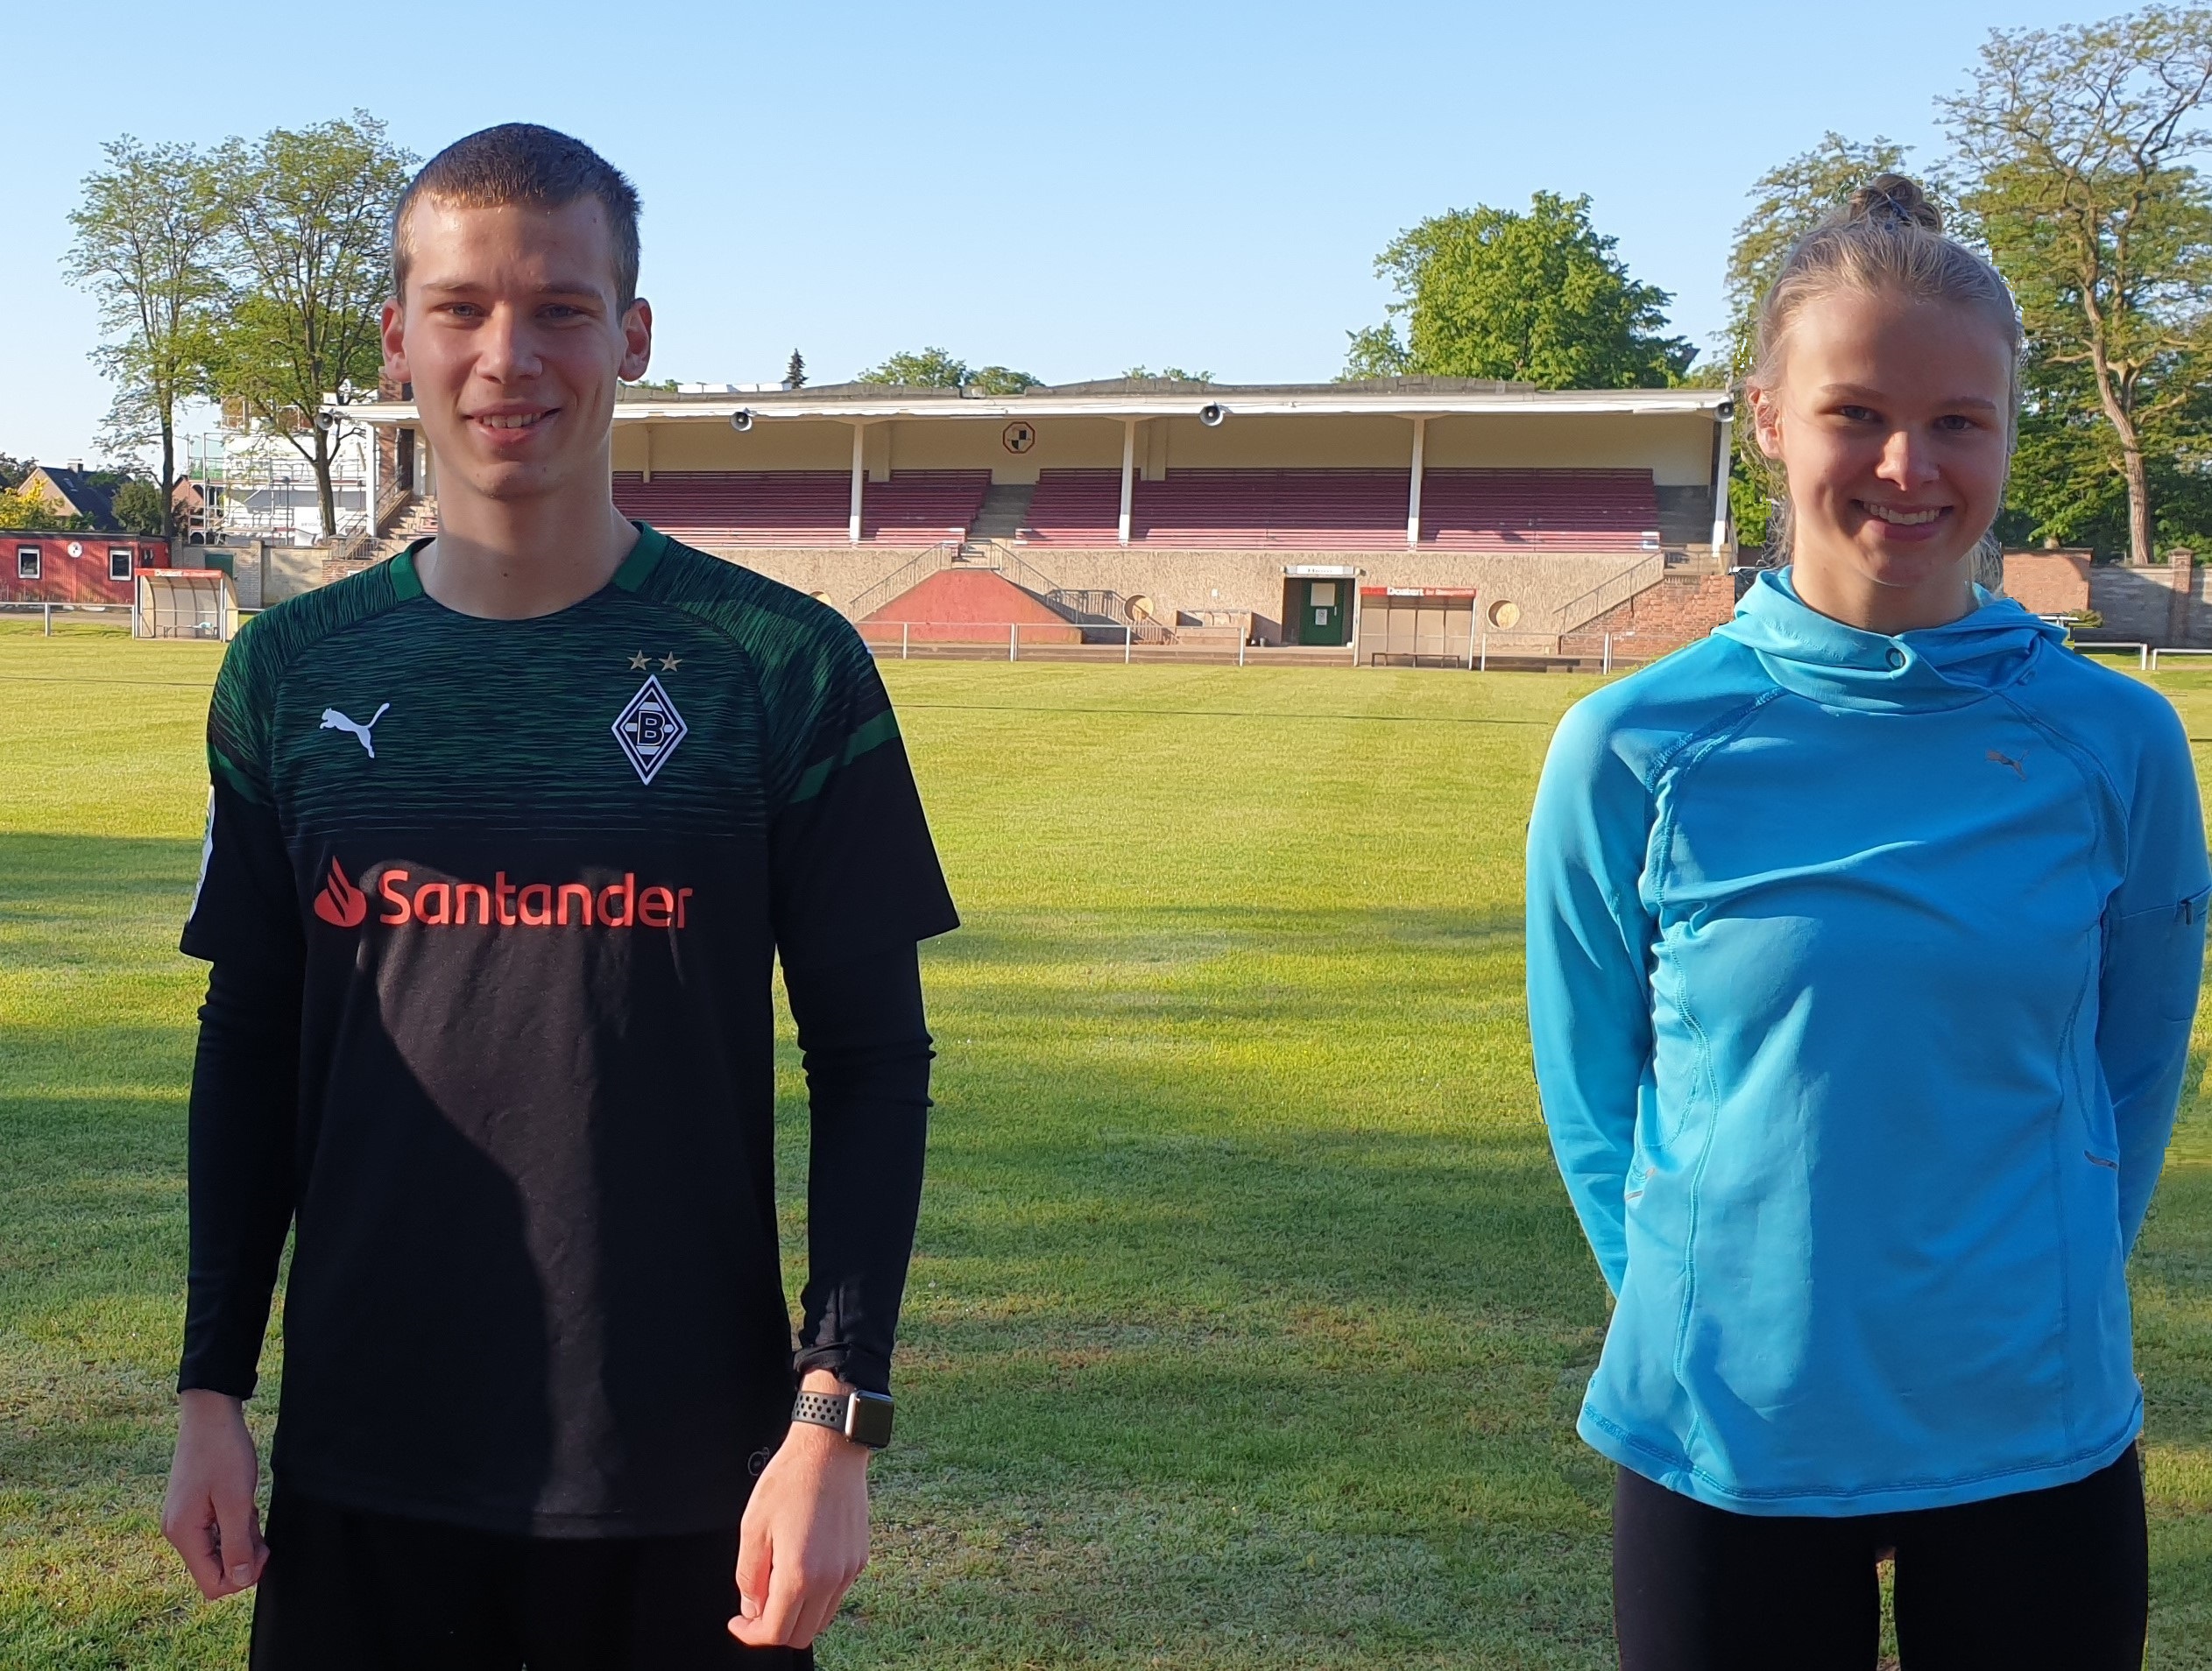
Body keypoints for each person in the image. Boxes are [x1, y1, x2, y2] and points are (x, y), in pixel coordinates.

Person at [159, 123, 959, 1669]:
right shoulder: (288, 673)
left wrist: (836, 1414)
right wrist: (212, 1390)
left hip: (691, 1477)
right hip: (360, 1469)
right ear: (397, 337)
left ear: (633, 336)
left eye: (561, 309)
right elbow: (248, 1040)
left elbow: (872, 1062)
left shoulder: (781, 668)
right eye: (460, 308)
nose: (506, 357)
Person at [1525, 175, 2207, 1671]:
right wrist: (1709, 1324)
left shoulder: (2117, 744)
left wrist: (2032, 1309)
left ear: (2008, 433)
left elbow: (2135, 1068)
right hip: (1728, 1425)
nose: (1909, 465)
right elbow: (1590, 1090)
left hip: (2029, 1421)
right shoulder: (1632, 747)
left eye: (1958, 419)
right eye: (1855, 413)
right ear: (1767, 418)